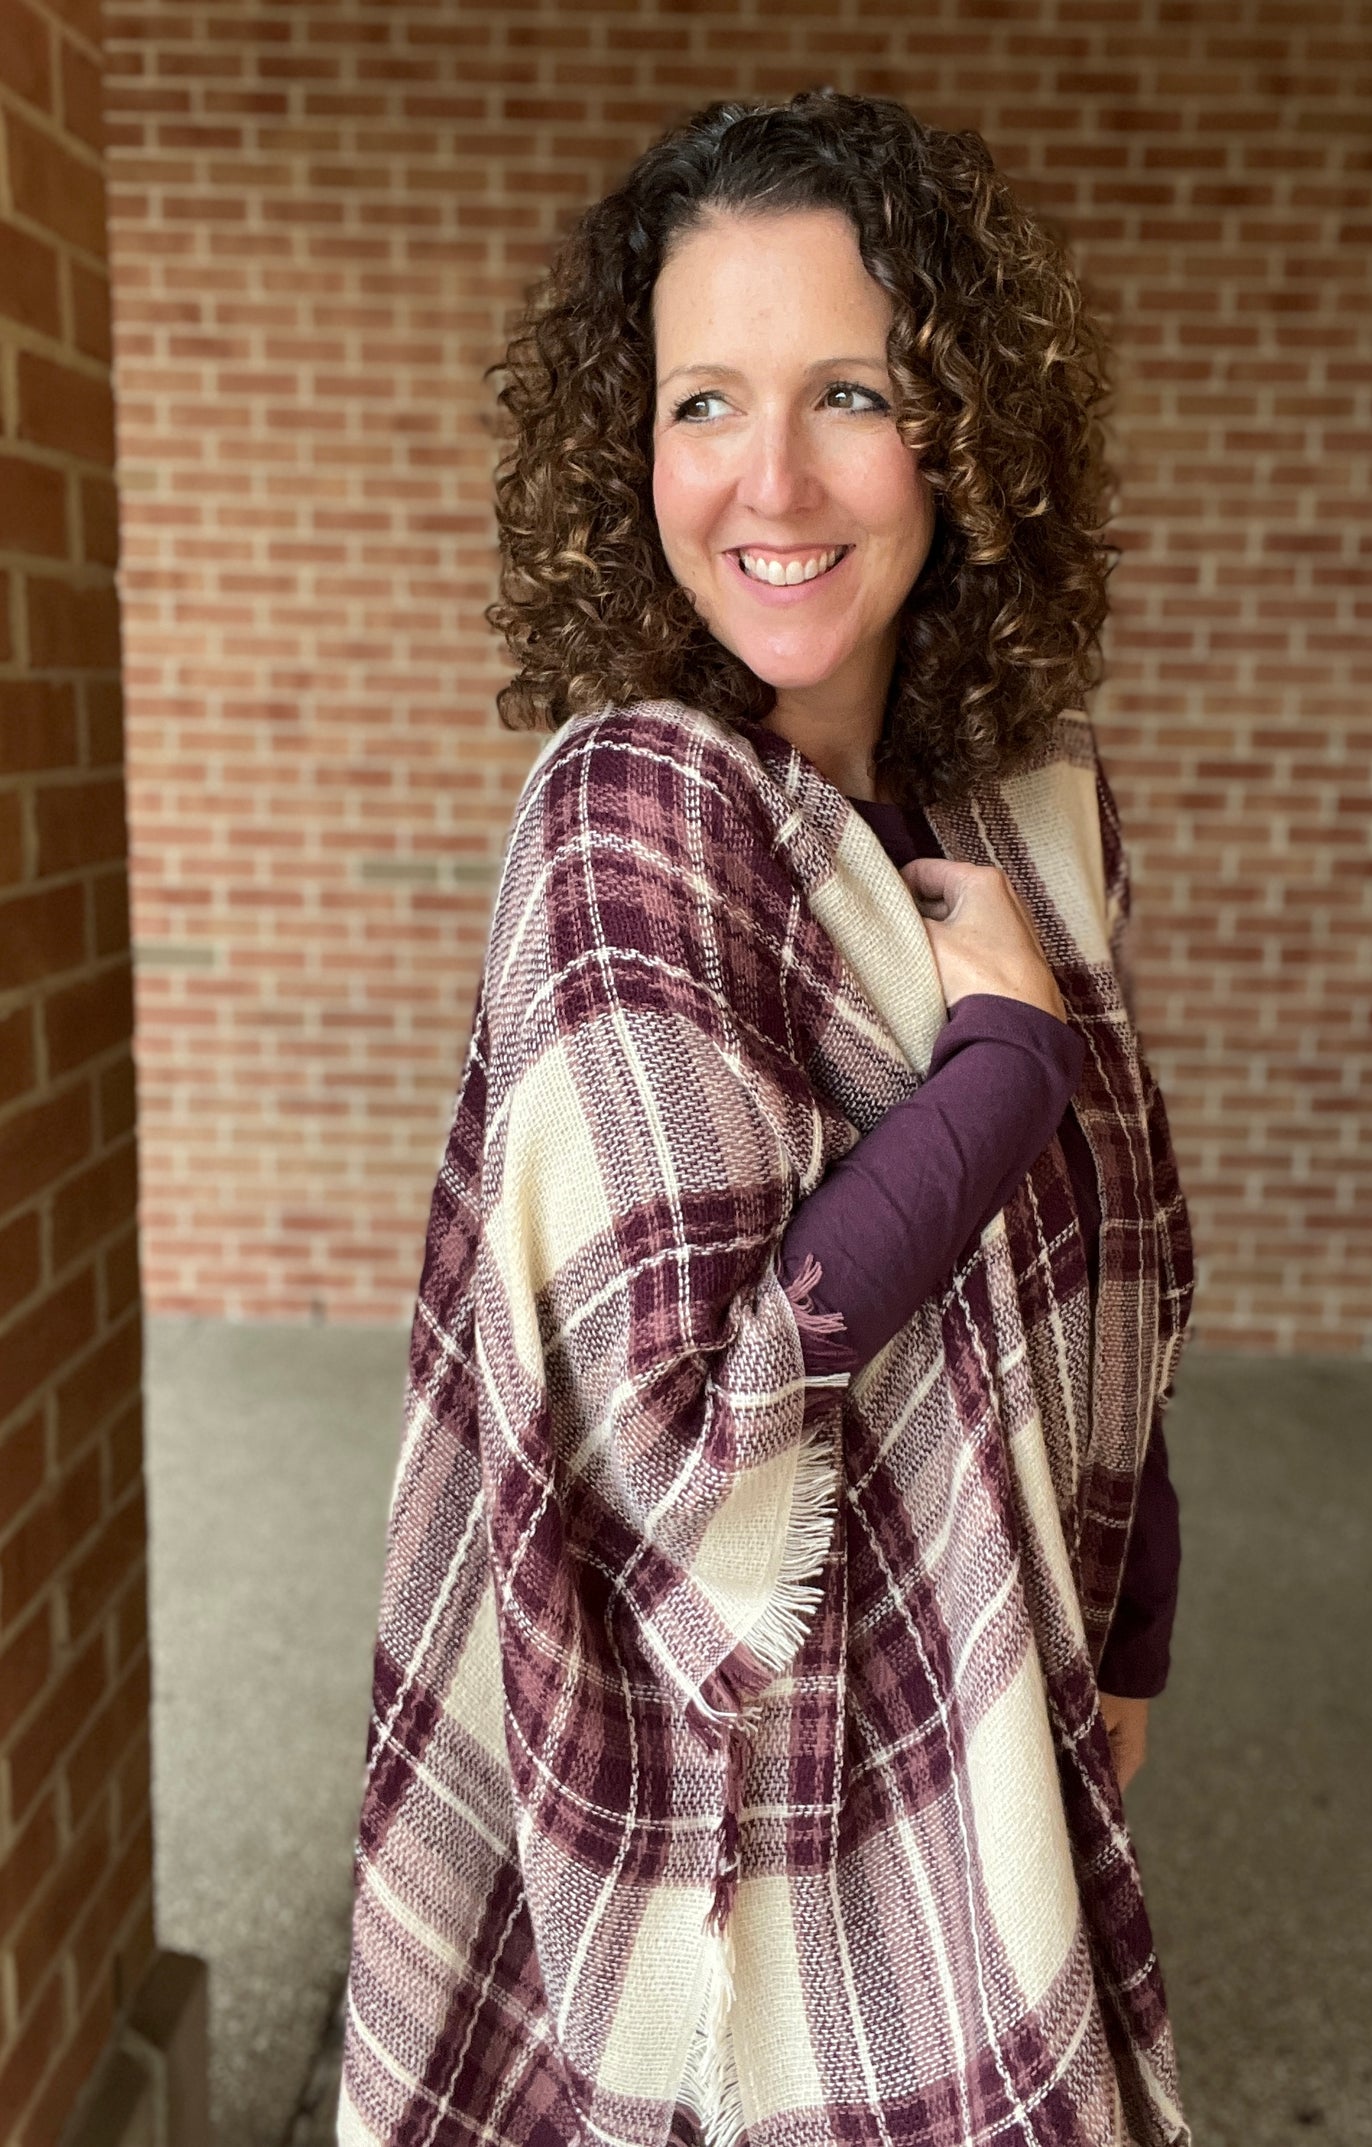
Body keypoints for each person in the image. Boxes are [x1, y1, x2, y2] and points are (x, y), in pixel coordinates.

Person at [339, 90, 1196, 2147]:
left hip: (1007, 1724)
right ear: (623, 449)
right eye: (703, 402)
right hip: (724, 1816)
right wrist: (1004, 1068)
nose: (773, 480)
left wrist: (1138, 1614)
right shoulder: (621, 823)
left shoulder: (1023, 823)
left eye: (854, 393)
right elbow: (682, 1408)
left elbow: (1127, 1273)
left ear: (965, 436)